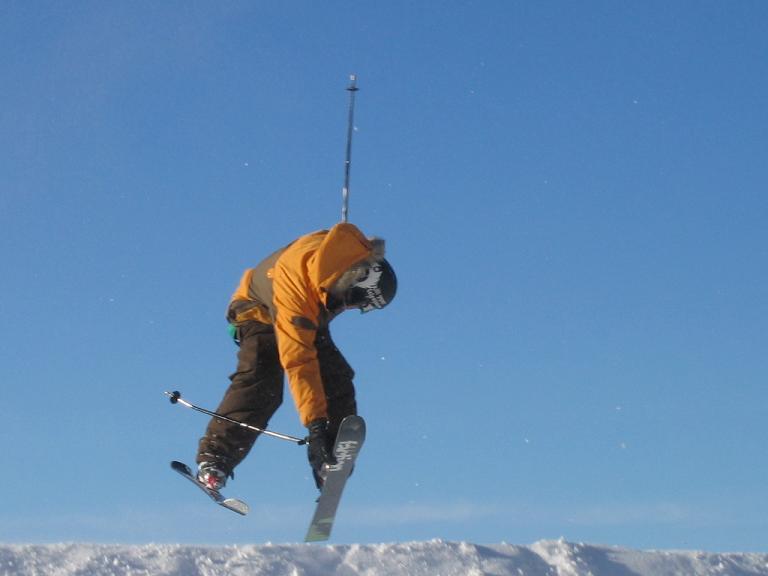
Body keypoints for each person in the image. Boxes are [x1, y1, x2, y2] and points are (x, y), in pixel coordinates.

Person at [196, 222, 397, 491]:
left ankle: (332, 456)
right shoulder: (298, 288)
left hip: (310, 309)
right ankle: (215, 459)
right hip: (259, 312)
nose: (351, 309)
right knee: (262, 380)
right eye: (358, 303)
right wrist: (315, 426)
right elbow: (299, 361)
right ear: (357, 284)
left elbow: (337, 243)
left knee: (336, 379)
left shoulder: (343, 261)